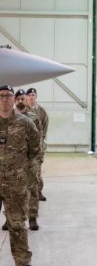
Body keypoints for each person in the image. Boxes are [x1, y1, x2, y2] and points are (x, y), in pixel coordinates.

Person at [0, 85, 41, 266]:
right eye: (1, 96)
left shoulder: (25, 123)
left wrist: (22, 172)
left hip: (15, 186)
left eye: (8, 95)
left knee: (17, 226)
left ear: (14, 99)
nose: (5, 99)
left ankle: (22, 262)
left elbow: (35, 148)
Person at [15, 89, 43, 231]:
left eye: (23, 99)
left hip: (30, 159)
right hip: (13, 162)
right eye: (18, 99)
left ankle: (32, 218)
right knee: (12, 192)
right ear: (15, 101)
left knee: (32, 189)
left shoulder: (34, 117)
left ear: (27, 100)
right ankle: (12, 219)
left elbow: (39, 138)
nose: (21, 101)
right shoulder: (7, 117)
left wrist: (35, 158)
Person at [26, 87, 48, 201]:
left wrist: (41, 143)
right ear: (26, 97)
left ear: (36, 96)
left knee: (37, 170)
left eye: (33, 95)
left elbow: (44, 128)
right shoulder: (22, 110)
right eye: (29, 95)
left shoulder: (41, 111)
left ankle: (38, 192)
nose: (31, 97)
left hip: (38, 146)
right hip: (24, 147)